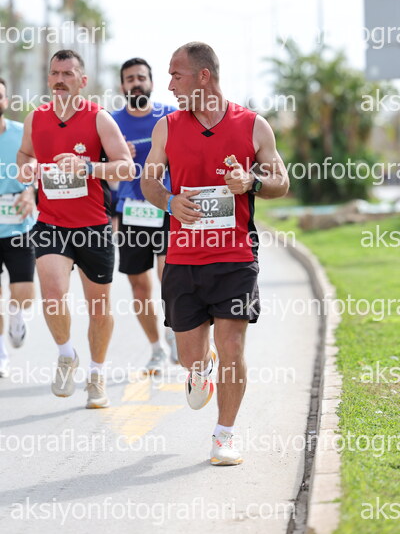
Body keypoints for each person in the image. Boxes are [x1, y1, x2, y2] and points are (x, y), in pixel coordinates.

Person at [141, 42, 289, 465]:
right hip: (183, 258)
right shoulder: (167, 127)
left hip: (235, 257)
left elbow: (280, 181)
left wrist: (252, 182)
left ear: (203, 76)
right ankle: (198, 367)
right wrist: (170, 202)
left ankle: (224, 435)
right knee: (191, 356)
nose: (170, 86)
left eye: (176, 75)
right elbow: (149, 182)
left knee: (232, 347)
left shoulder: (253, 125)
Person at [17, 49, 134, 408]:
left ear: (82, 81)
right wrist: (27, 169)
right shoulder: (35, 118)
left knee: (98, 308)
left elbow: (126, 167)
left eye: (68, 74)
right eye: (55, 73)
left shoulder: (99, 118)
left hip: (93, 226)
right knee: (53, 296)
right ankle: (67, 355)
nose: (60, 80)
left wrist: (87, 167)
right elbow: (25, 155)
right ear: (48, 78)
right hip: (51, 223)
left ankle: (96, 374)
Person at [112, 57, 177, 373]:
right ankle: (156, 349)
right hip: (131, 212)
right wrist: (119, 158)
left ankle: (175, 330)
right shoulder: (111, 122)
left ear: (151, 82)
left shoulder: (170, 116)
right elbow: (104, 172)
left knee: (170, 277)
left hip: (166, 206)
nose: (136, 83)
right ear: (122, 86)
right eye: (130, 79)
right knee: (139, 286)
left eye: (141, 77)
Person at [0, 78, 36, 378]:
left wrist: (29, 191)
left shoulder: (21, 133)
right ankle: (1, 352)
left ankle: (15, 315)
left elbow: (36, 166)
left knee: (23, 293)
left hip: (18, 226)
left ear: (6, 101)